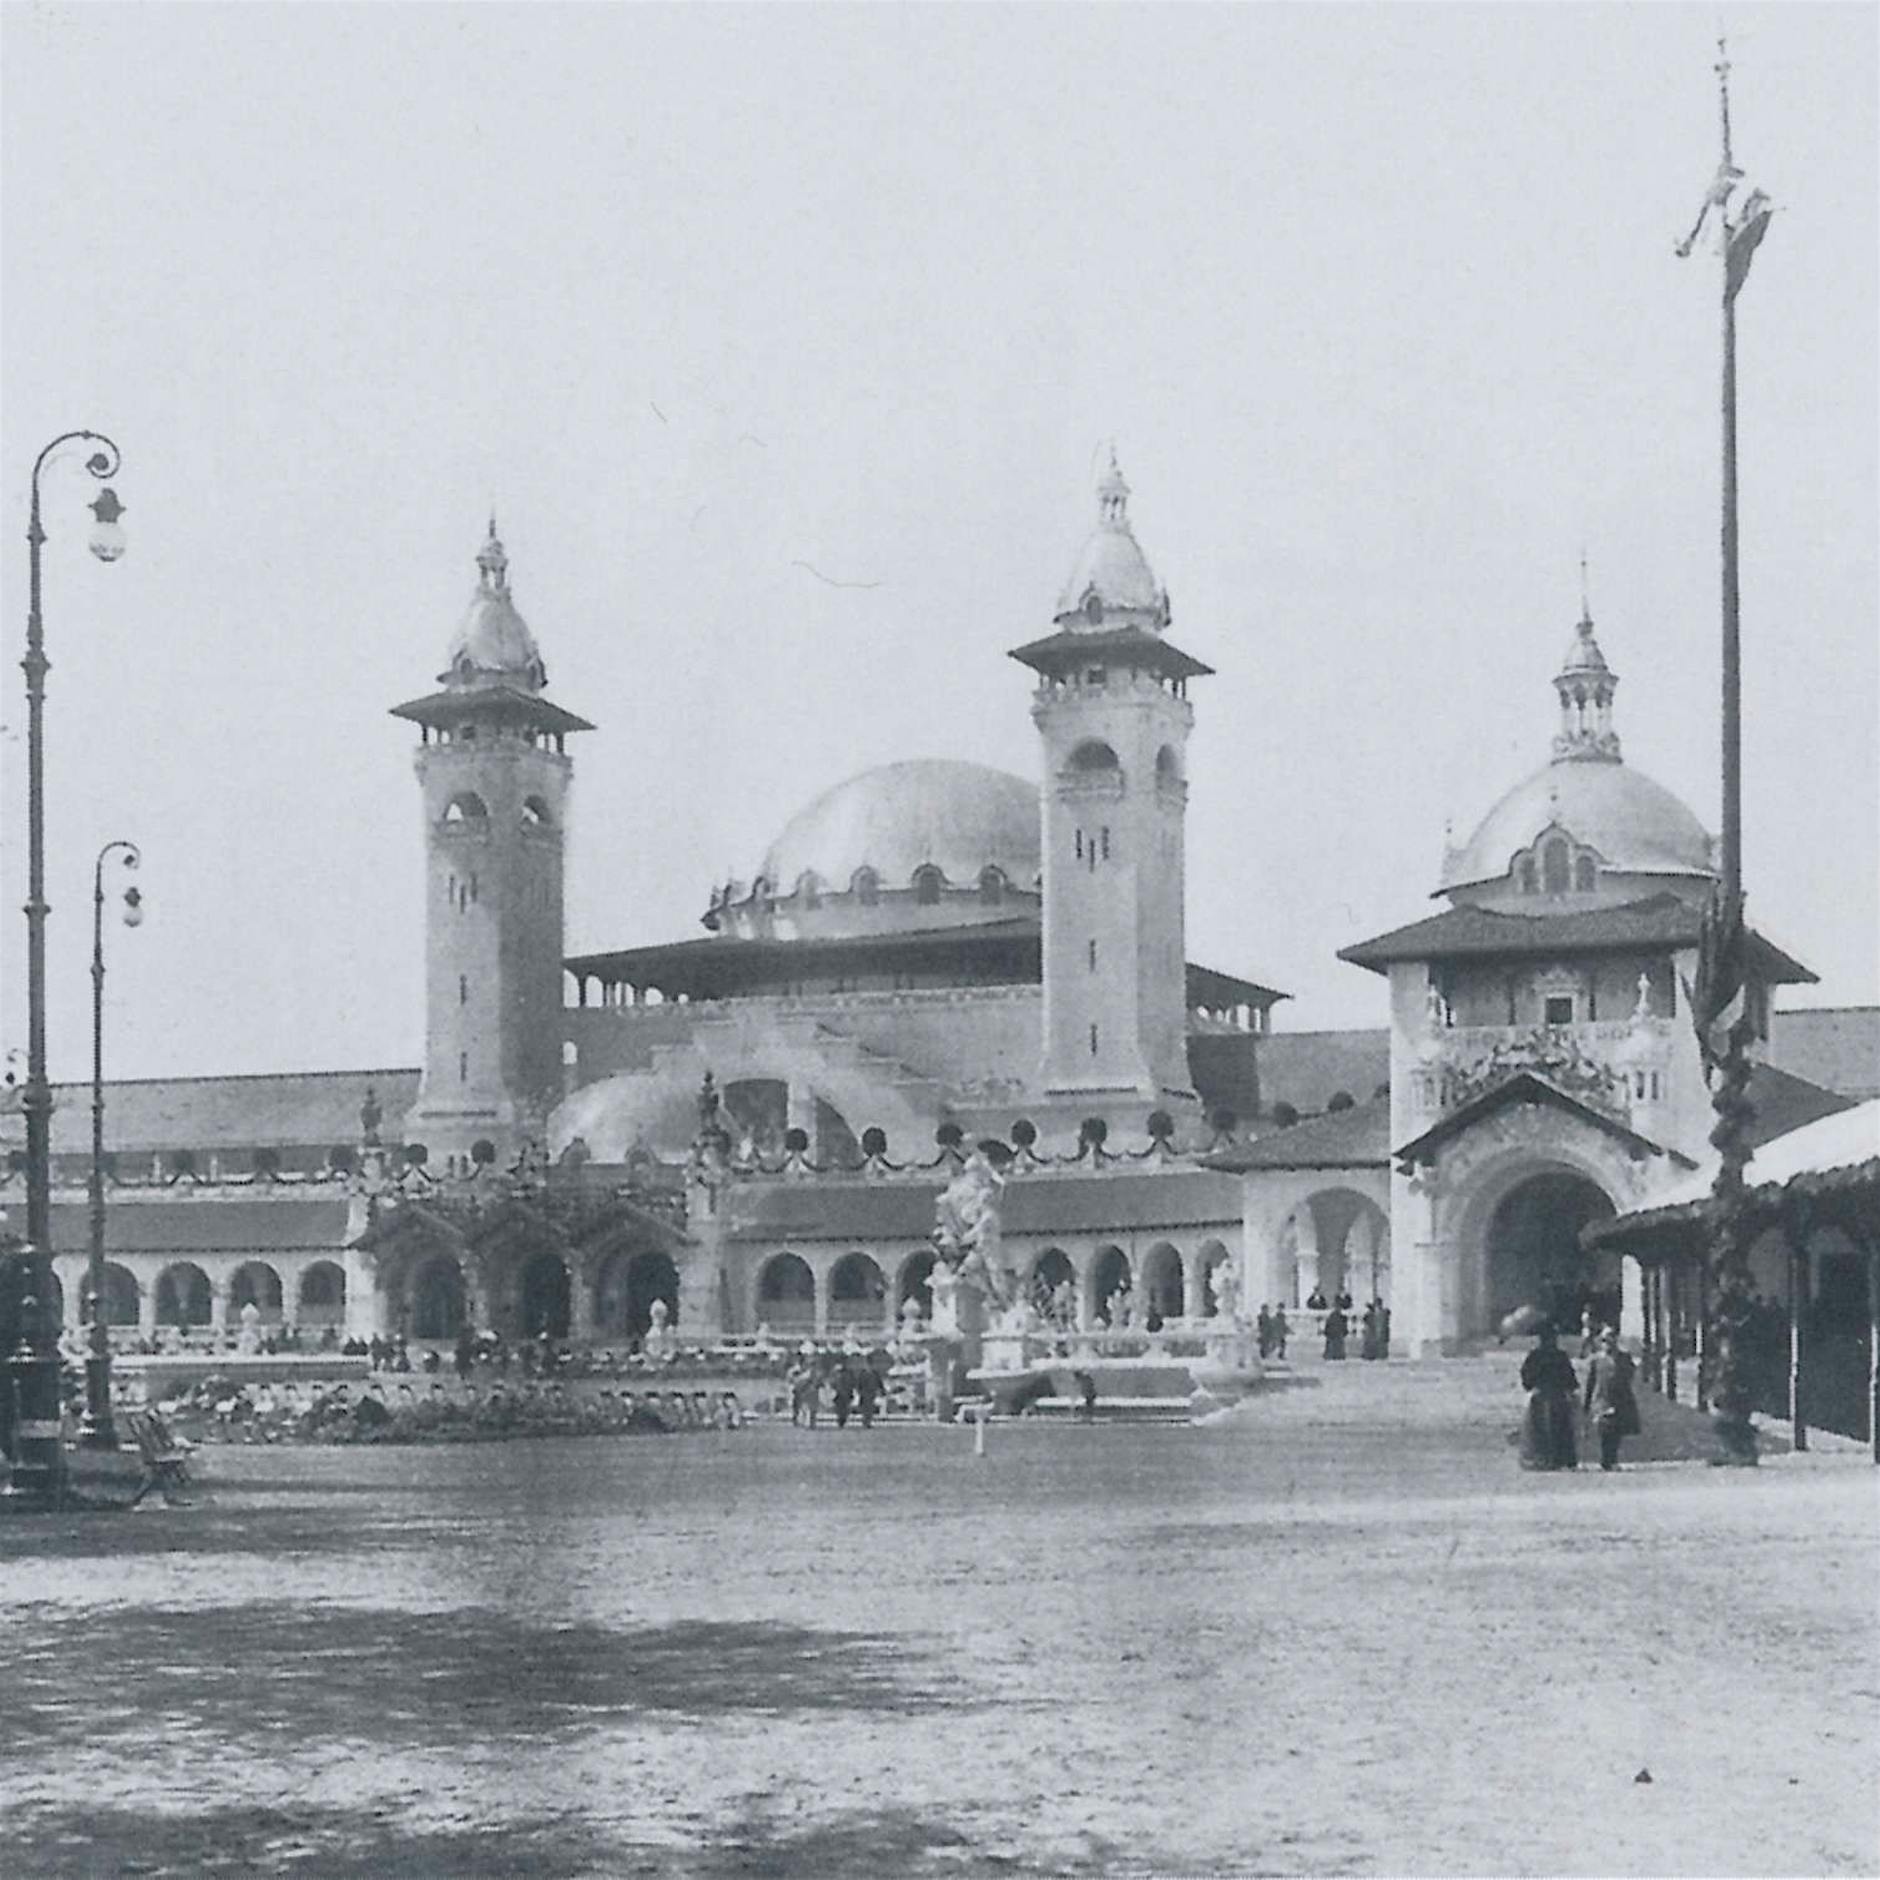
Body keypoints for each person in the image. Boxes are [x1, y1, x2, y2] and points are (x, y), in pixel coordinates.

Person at [1518, 1328, 1578, 1470]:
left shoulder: (1541, 1356)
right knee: (1547, 1429)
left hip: (1548, 1395)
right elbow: (1569, 1378)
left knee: (1548, 1429)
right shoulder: (1555, 1356)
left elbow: (1526, 1376)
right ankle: (1550, 1459)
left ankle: (1548, 1459)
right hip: (1549, 1396)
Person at [1582, 1328, 1641, 1470]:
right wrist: (1587, 1402)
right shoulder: (1596, 1360)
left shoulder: (1624, 1357)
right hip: (1602, 1397)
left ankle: (1611, 1458)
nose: (1607, 1344)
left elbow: (1630, 1374)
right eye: (1604, 1341)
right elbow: (1590, 1382)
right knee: (1604, 1428)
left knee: (1616, 1429)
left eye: (1610, 1340)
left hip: (1620, 1397)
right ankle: (1606, 1459)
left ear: (1616, 1341)